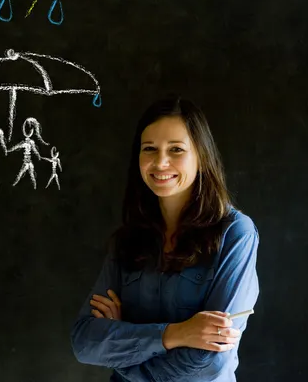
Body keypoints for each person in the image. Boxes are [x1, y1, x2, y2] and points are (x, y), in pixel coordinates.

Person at [70, 97, 259, 381]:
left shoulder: (235, 234)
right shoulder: (127, 240)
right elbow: (84, 342)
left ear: (201, 157)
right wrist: (175, 334)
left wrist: (123, 352)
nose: (160, 162)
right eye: (149, 149)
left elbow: (212, 360)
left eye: (176, 149)